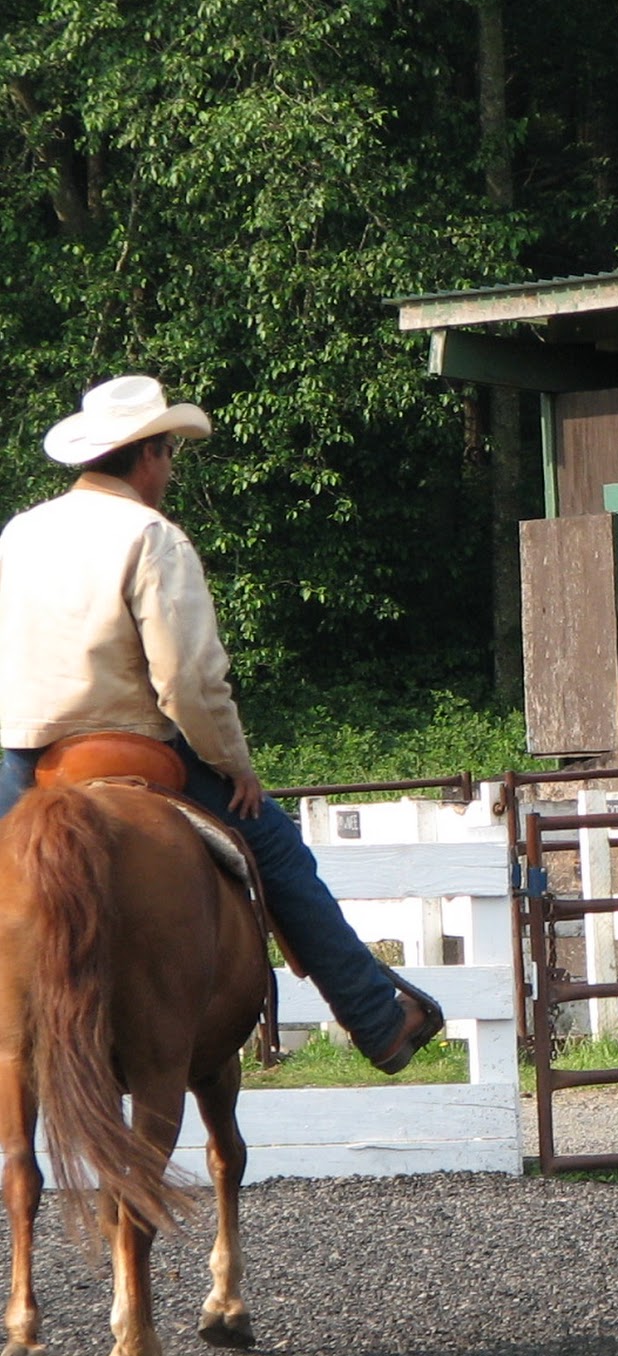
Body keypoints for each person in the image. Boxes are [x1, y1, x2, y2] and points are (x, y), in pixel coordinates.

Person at [0, 374, 443, 1073]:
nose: (170, 470)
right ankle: (376, 1019)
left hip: (26, 762)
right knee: (281, 853)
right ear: (149, 455)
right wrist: (234, 764)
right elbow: (187, 681)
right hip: (135, 749)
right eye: (169, 454)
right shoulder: (152, 536)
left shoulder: (20, 533)